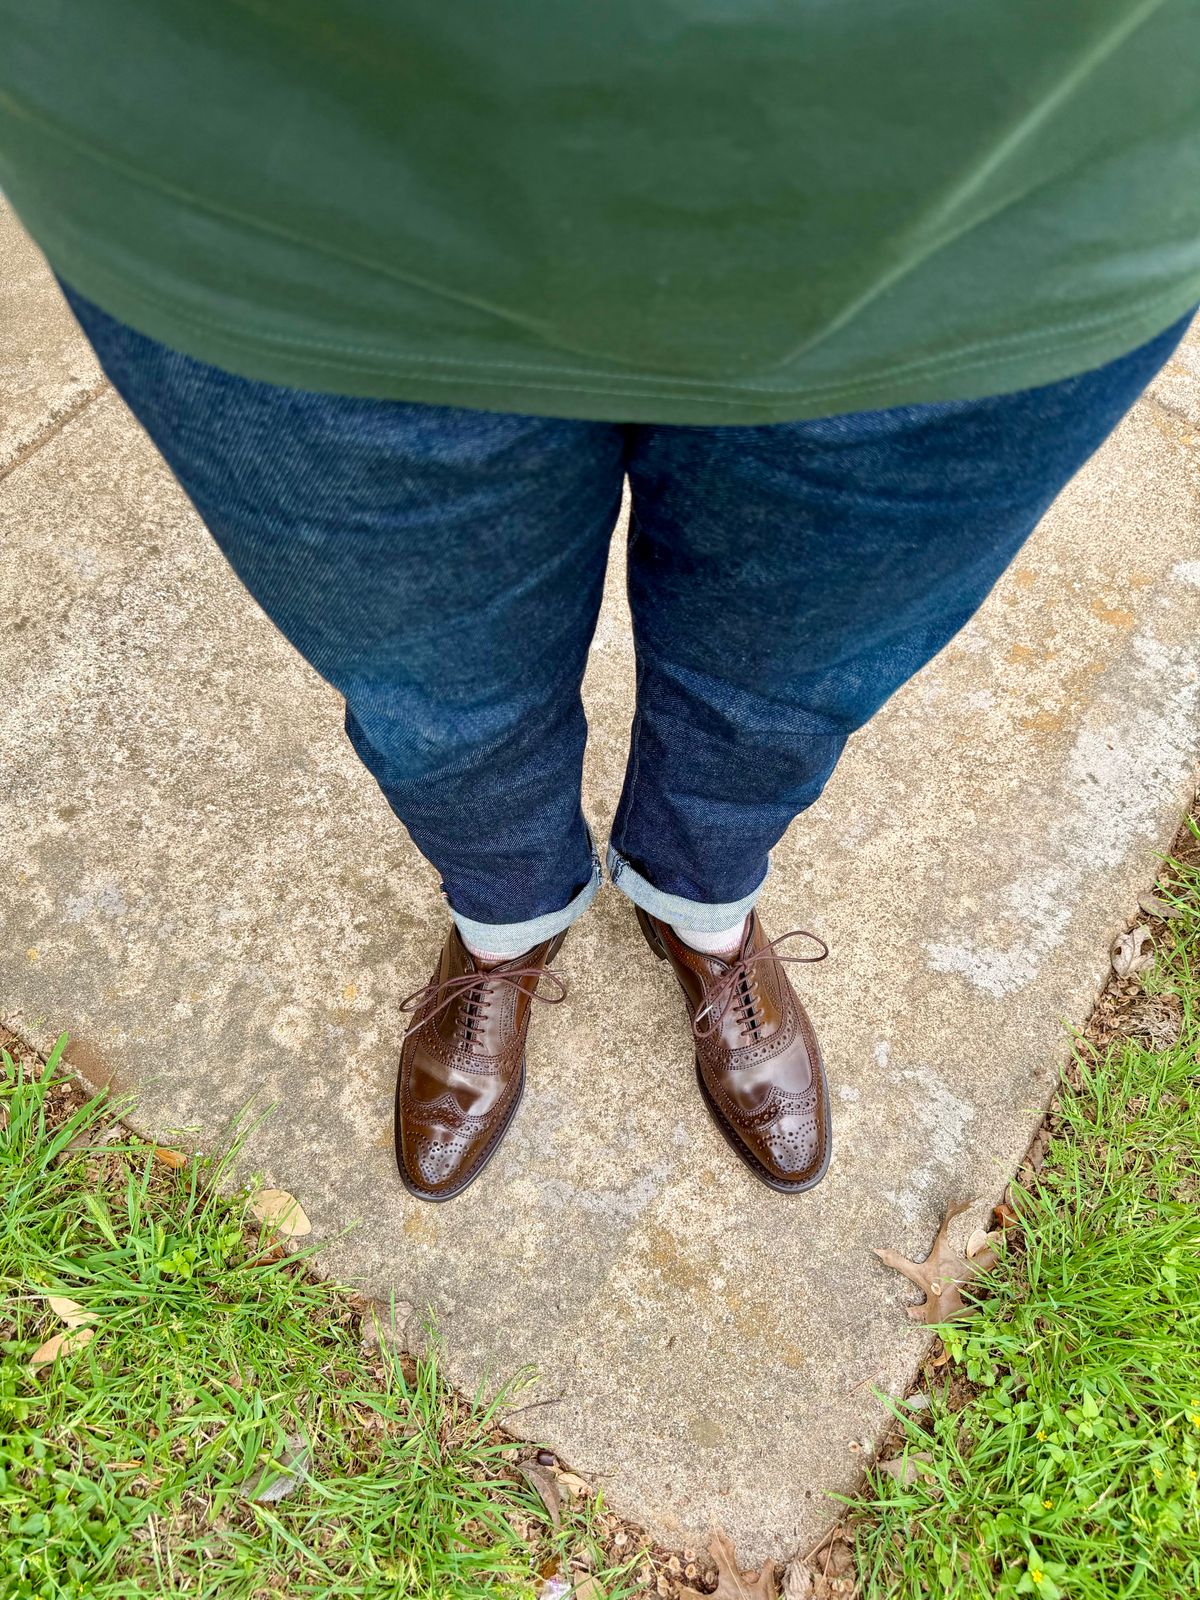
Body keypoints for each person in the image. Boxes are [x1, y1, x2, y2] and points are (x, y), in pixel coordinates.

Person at [3, 4, 1197, 1204]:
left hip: (1008, 216)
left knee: (787, 679)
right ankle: (504, 925)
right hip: (277, 196)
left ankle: (702, 907)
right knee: (439, 699)